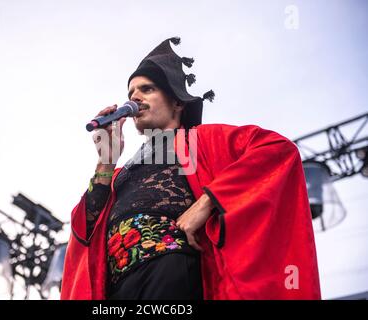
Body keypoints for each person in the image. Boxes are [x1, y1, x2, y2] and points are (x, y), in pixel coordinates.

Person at [60, 37, 321, 300]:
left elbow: (277, 150)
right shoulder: (119, 173)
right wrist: (106, 160)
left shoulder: (202, 139)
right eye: (130, 93)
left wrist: (207, 201)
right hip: (119, 287)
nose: (135, 98)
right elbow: (85, 232)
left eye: (146, 89)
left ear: (177, 102)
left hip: (171, 272)